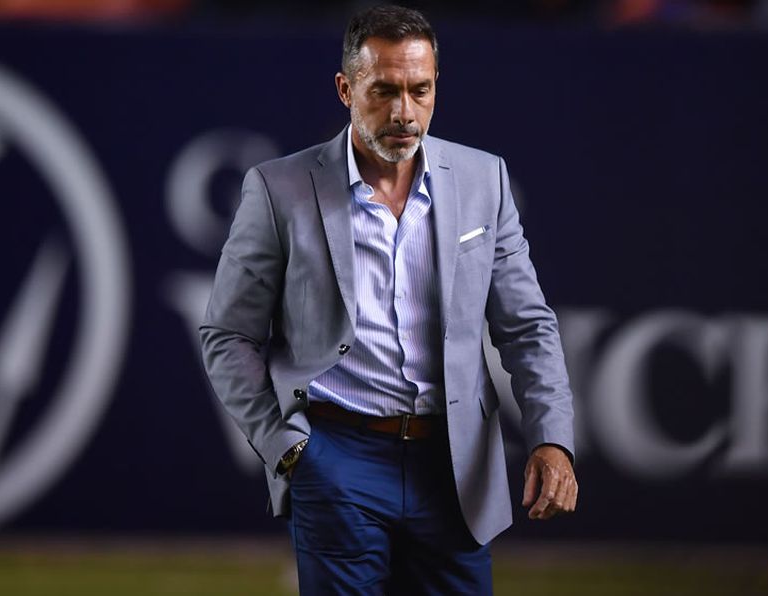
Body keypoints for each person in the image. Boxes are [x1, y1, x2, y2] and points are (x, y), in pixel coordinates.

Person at [199, 5, 577, 594]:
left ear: (435, 86)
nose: (404, 111)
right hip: (336, 457)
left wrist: (552, 438)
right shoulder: (279, 189)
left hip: (454, 465)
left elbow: (527, 325)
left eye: (419, 90)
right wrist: (289, 449)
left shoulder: (484, 180)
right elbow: (228, 335)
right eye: (384, 91)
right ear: (345, 89)